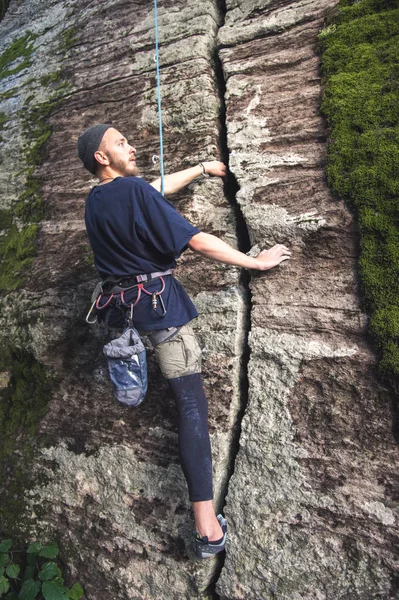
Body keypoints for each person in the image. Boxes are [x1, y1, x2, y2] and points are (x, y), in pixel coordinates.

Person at [77, 124, 291, 559]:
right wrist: (254, 262)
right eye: (120, 142)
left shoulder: (96, 200)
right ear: (102, 158)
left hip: (121, 314)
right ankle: (207, 527)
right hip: (161, 309)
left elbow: (154, 190)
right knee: (191, 404)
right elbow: (195, 240)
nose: (131, 145)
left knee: (152, 393)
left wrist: (200, 169)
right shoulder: (133, 191)